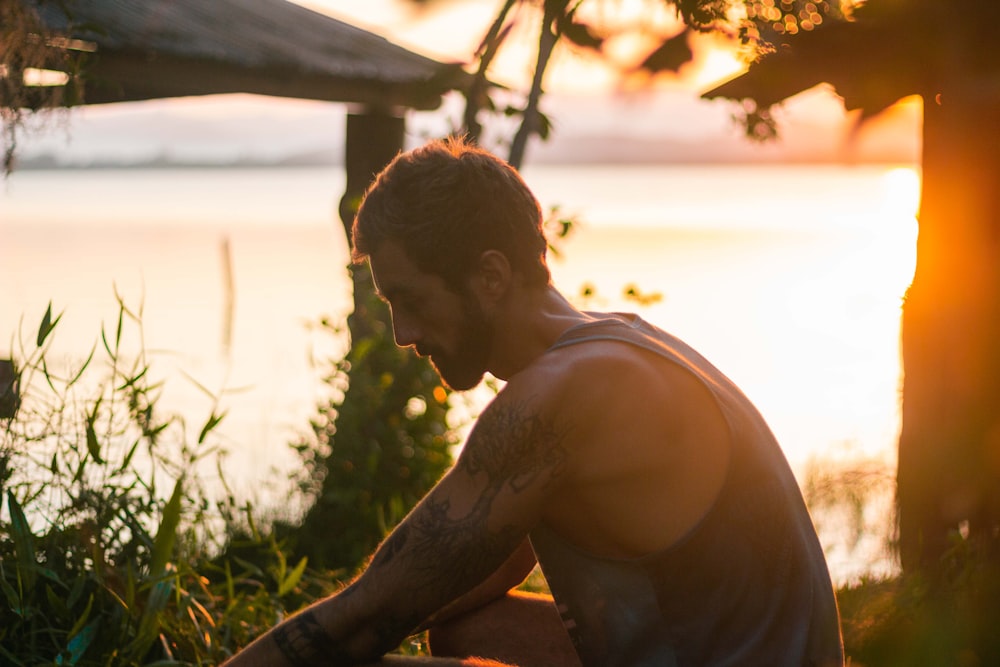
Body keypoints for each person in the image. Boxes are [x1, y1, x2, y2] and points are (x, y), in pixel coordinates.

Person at [223, 137, 844, 667]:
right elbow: (448, 589)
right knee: (470, 633)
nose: (404, 334)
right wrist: (396, 598)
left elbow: (373, 615)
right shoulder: (620, 345)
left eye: (411, 301)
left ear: (490, 277)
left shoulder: (563, 398)